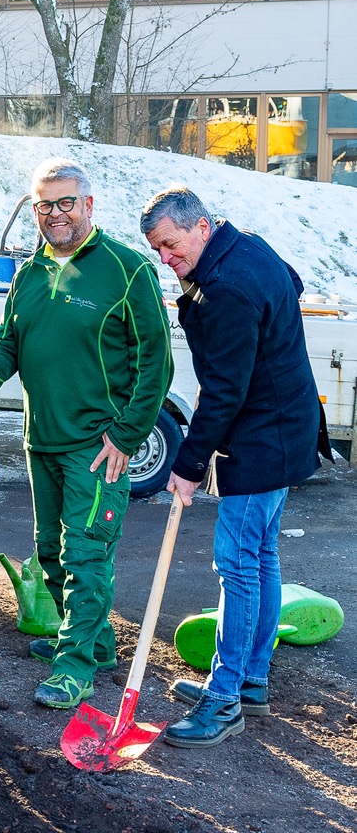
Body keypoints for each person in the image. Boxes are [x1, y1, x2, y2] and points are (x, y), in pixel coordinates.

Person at [0, 158, 172, 709]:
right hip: (41, 439)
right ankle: (95, 645)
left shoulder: (127, 270)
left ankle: (73, 666)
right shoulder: (28, 273)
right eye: (44, 204)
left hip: (97, 447)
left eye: (65, 202)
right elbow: (7, 339)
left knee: (85, 555)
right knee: (49, 552)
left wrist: (126, 435)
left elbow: (156, 363)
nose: (55, 213)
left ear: (88, 205)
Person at [141, 186, 331, 748]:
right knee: (261, 556)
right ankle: (250, 680)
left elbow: (222, 391)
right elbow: (291, 284)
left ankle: (223, 700)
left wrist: (188, 462)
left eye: (172, 246)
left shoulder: (224, 289)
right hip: (286, 426)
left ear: (202, 227)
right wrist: (188, 280)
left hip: (262, 439)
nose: (166, 259)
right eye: (158, 251)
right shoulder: (248, 247)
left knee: (238, 567)